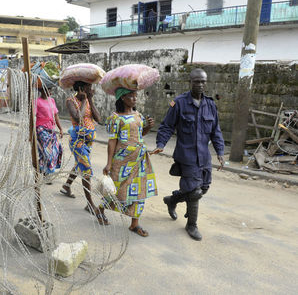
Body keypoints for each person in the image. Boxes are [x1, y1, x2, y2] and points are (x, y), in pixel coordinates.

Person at [152, 68, 225, 241]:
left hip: (204, 157)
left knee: (203, 188)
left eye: (203, 81)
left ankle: (172, 200)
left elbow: (216, 131)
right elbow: (167, 126)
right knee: (194, 191)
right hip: (186, 156)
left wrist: (220, 152)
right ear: (190, 82)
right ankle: (191, 225)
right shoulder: (179, 103)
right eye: (196, 81)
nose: (200, 85)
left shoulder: (210, 105)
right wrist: (160, 144)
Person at [100, 88, 157, 234]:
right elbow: (112, 141)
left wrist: (148, 127)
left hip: (139, 160)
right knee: (115, 190)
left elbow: (141, 134)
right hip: (122, 162)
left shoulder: (138, 115)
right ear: (122, 99)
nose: (134, 98)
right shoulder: (115, 118)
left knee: (139, 191)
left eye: (135, 95)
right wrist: (109, 163)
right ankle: (100, 210)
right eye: (130, 96)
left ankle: (134, 224)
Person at [59, 81, 102, 218]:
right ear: (82, 88)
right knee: (86, 170)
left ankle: (66, 186)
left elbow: (98, 119)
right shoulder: (70, 101)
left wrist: (89, 99)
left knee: (79, 165)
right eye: (89, 87)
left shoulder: (89, 100)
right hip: (77, 141)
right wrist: (83, 101)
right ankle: (89, 204)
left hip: (88, 141)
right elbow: (78, 118)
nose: (92, 89)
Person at [35, 85, 63, 180]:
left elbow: (56, 115)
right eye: (47, 89)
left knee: (57, 149)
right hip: (41, 129)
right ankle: (46, 173)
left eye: (50, 89)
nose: (49, 91)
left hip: (51, 129)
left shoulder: (52, 101)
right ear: (41, 91)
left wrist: (60, 129)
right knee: (47, 151)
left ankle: (40, 167)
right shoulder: (37, 102)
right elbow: (32, 117)